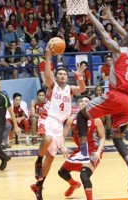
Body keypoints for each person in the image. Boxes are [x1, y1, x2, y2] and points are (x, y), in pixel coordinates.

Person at [67, 5, 128, 193]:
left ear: (123, 41)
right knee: (117, 137)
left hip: (115, 95)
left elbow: (102, 32)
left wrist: (91, 14)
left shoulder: (118, 50)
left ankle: (84, 153)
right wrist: (111, 18)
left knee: (82, 116)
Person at [31, 48, 86, 199]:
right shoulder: (52, 86)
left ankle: (38, 186)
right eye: (59, 74)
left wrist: (80, 77)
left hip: (59, 124)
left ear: (67, 78)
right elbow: (48, 75)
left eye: (64, 74)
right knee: (46, 139)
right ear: (56, 77)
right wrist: (48, 57)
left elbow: (82, 89)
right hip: (48, 117)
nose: (62, 76)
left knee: (50, 158)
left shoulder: (70, 89)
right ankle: (37, 162)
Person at [57, 96, 105, 200]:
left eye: (86, 101)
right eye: (81, 101)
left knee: (84, 175)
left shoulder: (96, 119)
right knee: (62, 172)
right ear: (78, 104)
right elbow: (63, 135)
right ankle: (74, 184)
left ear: (90, 104)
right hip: (81, 150)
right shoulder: (72, 119)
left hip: (93, 150)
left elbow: (102, 137)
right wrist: (62, 146)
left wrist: (98, 151)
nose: (83, 103)